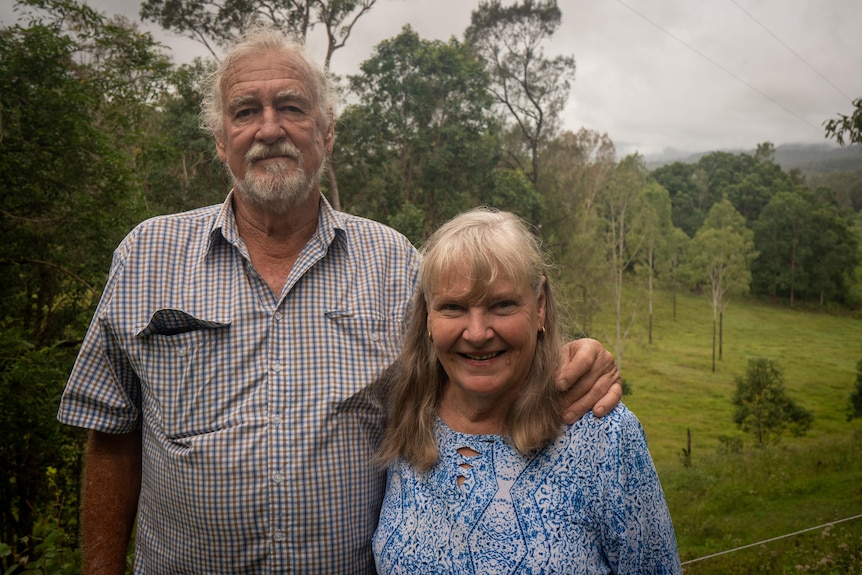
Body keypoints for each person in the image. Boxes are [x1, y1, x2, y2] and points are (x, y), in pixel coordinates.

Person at [57, 24, 622, 574]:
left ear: (326, 133)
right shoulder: (146, 256)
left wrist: (572, 357)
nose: (270, 128)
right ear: (221, 139)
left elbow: (476, 353)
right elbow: (111, 435)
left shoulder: (395, 263)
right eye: (246, 111)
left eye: (293, 107)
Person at [373, 207, 682, 574]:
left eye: (502, 304)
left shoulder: (603, 437)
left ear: (539, 306)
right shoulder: (407, 417)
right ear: (427, 317)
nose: (476, 333)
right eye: (453, 307)